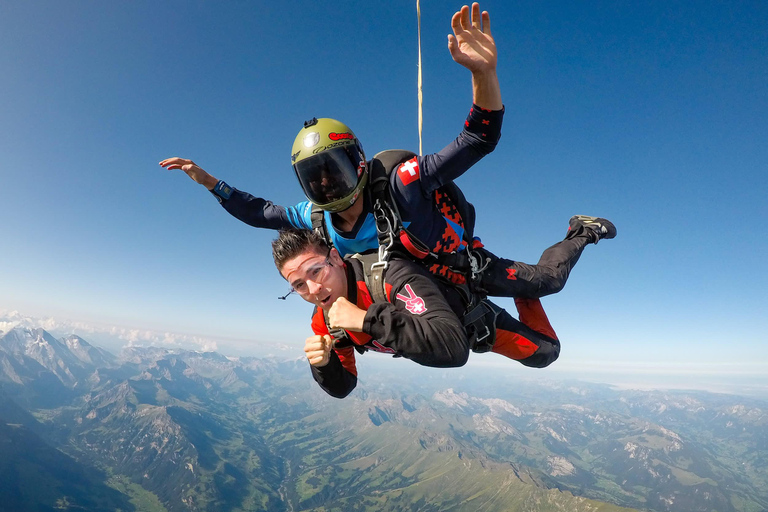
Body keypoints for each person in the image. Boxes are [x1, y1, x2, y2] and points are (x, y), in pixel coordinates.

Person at [159, 3, 615, 299]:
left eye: (332, 171)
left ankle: (579, 231)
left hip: (456, 265)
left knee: (546, 283)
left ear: (359, 163)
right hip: (410, 281)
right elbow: (259, 212)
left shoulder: (402, 184)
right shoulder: (313, 216)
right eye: (314, 178)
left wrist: (484, 74)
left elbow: (477, 139)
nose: (326, 185)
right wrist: (210, 183)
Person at [272, 228, 560, 398]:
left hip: (474, 321)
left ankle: (576, 238)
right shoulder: (324, 320)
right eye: (298, 284)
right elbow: (344, 386)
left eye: (316, 271)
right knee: (543, 356)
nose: (313, 288)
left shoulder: (391, 278)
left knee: (546, 352)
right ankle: (522, 288)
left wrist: (366, 320)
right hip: (446, 335)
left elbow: (454, 349)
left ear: (334, 257)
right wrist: (323, 365)